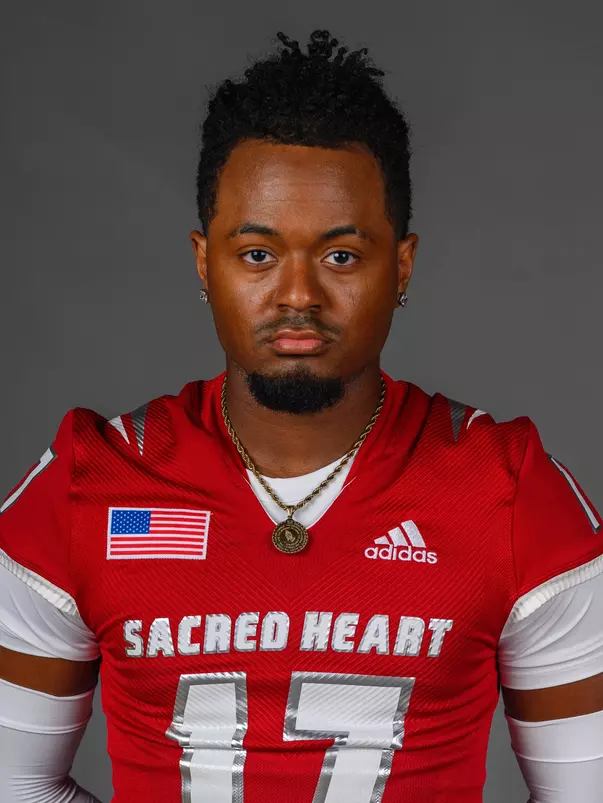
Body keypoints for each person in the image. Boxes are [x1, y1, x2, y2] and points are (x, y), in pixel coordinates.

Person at [0, 28, 602, 803]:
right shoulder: (92, 479)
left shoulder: (509, 489)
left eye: (341, 255)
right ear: (202, 261)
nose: (296, 295)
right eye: (257, 253)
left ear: (403, 264)